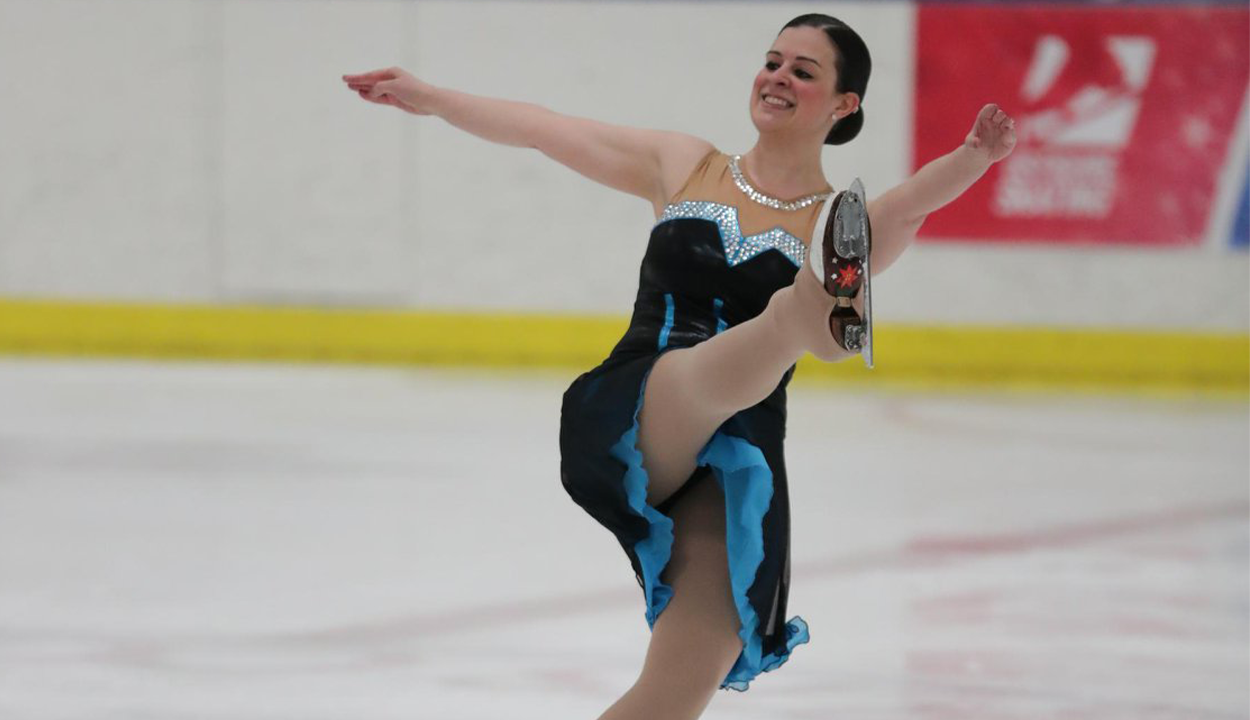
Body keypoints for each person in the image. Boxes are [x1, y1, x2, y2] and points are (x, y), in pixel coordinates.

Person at [343, 12, 1016, 720]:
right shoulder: (688, 165)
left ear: (845, 105)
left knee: (670, 698)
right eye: (773, 61)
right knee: (754, 340)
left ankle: (822, 312)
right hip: (644, 404)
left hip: (738, 460)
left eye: (803, 71)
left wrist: (973, 157)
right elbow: (546, 128)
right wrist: (433, 97)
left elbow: (906, 210)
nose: (777, 77)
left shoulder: (834, 215)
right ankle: (817, 314)